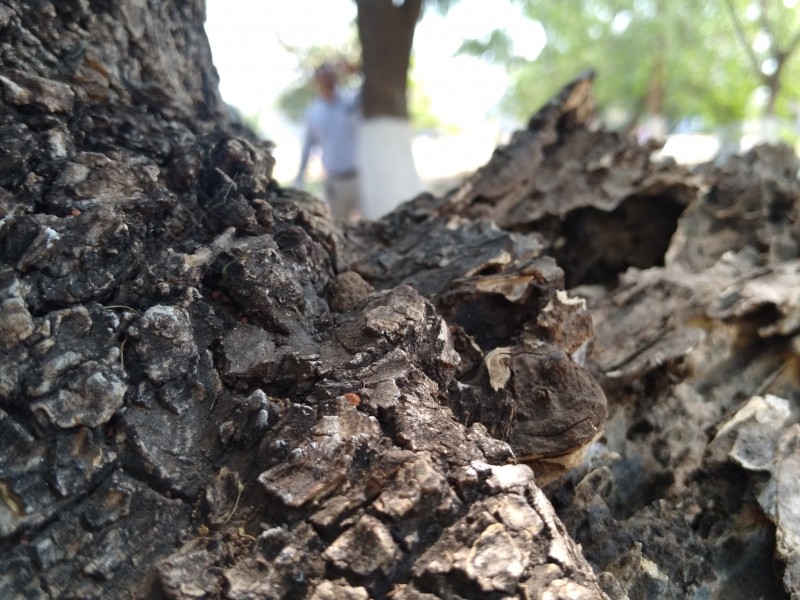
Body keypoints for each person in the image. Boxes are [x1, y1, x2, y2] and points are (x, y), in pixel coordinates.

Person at [294, 62, 361, 222]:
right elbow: (308, 146)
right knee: (340, 225)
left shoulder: (351, 100)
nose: (328, 80)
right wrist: (300, 177)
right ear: (318, 81)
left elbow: (370, 90)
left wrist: (358, 71)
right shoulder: (314, 112)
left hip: (359, 177)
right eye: (324, 77)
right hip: (334, 181)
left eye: (331, 76)